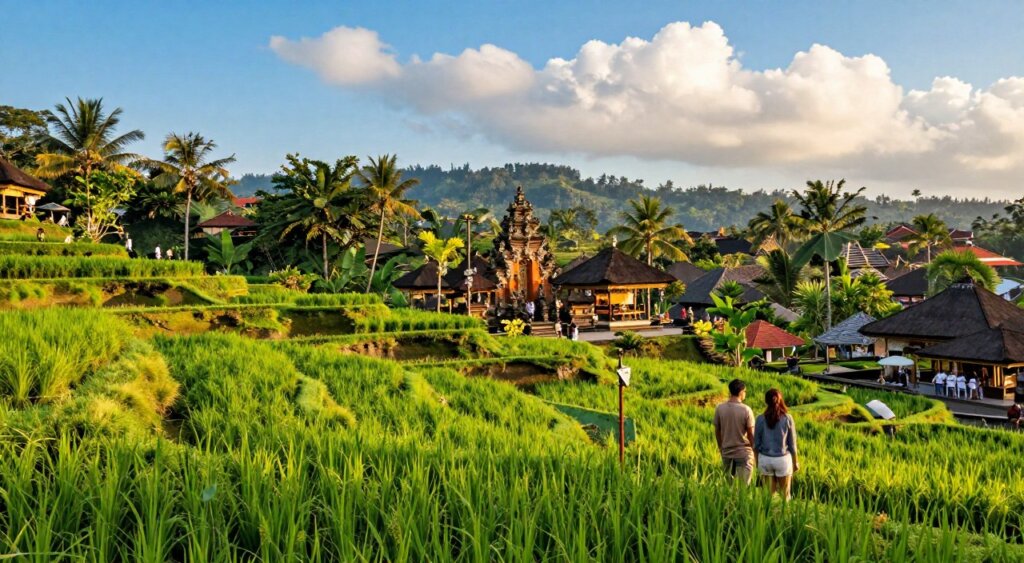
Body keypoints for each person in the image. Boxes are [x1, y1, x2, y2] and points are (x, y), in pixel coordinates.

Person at [754, 388, 799, 500]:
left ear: (766, 401)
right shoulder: (788, 418)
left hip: (765, 459)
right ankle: (784, 516)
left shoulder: (760, 419)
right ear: (780, 400)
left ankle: (768, 516)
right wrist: (795, 462)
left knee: (768, 497)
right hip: (782, 460)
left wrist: (757, 462)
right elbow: (792, 445)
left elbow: (756, 444)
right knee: (785, 496)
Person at [713, 379, 756, 485]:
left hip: (727, 452)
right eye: (745, 391)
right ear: (741, 392)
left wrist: (721, 447)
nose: (745, 394)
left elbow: (717, 431)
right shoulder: (746, 410)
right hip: (744, 453)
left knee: (728, 488)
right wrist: (755, 451)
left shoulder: (720, 408)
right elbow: (750, 434)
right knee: (743, 489)